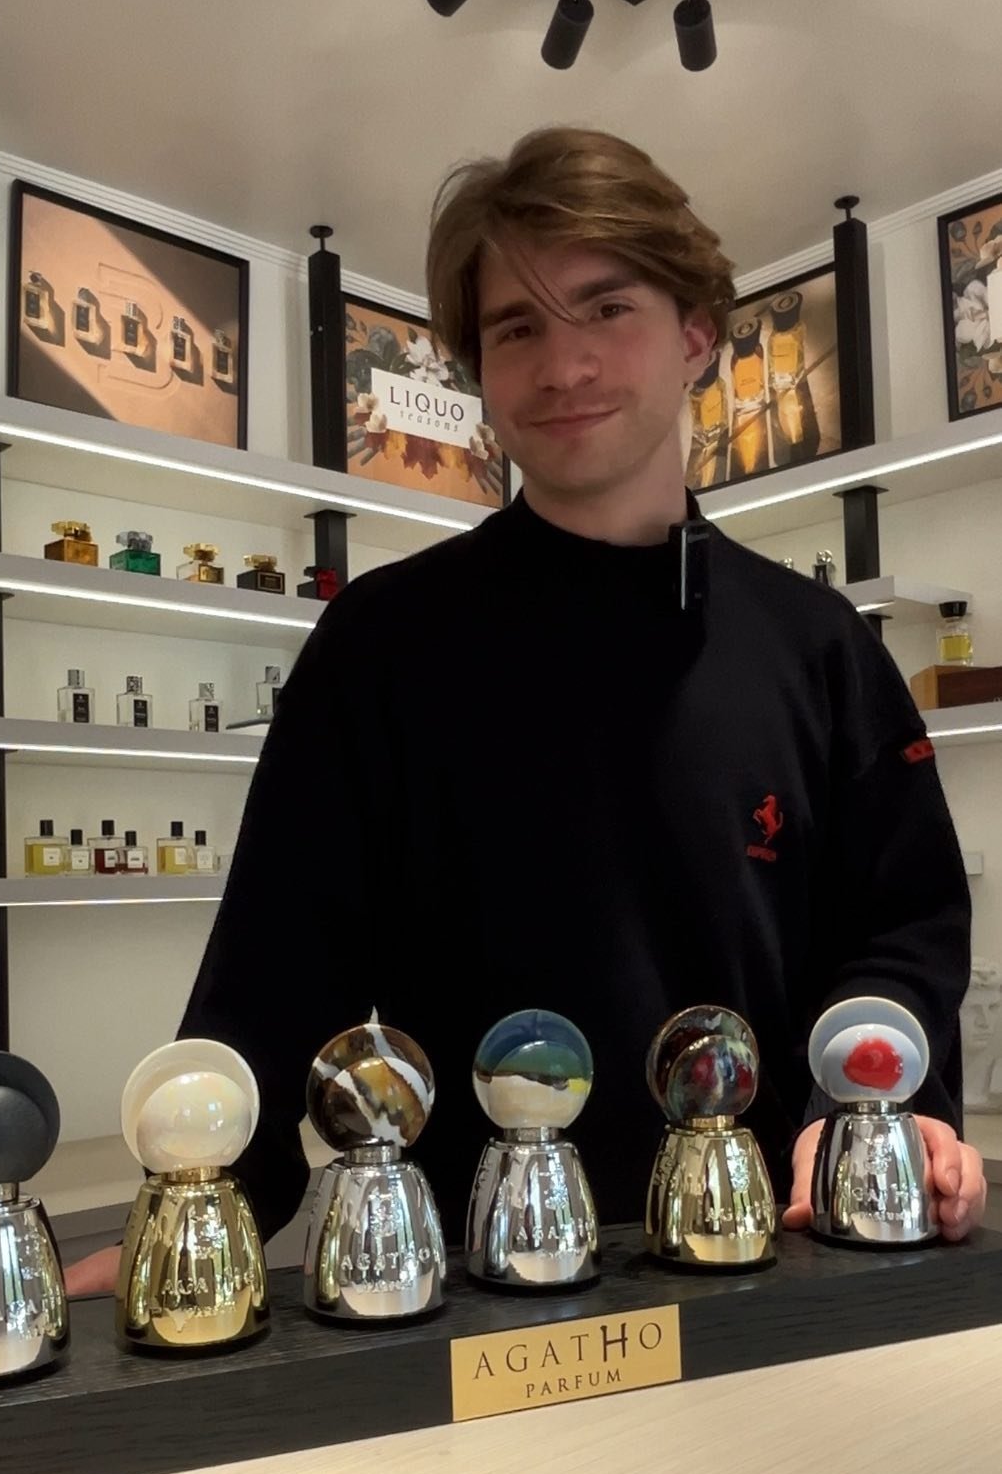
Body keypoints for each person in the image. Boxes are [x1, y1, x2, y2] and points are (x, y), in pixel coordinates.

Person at [67, 126, 984, 1295]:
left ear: (697, 334)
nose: (563, 365)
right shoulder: (381, 647)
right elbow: (277, 967)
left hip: (778, 1270)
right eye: (516, 328)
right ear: (478, 368)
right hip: (469, 1296)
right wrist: (203, 1212)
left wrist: (876, 1106)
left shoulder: (821, 650)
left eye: (606, 308)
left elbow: (903, 925)